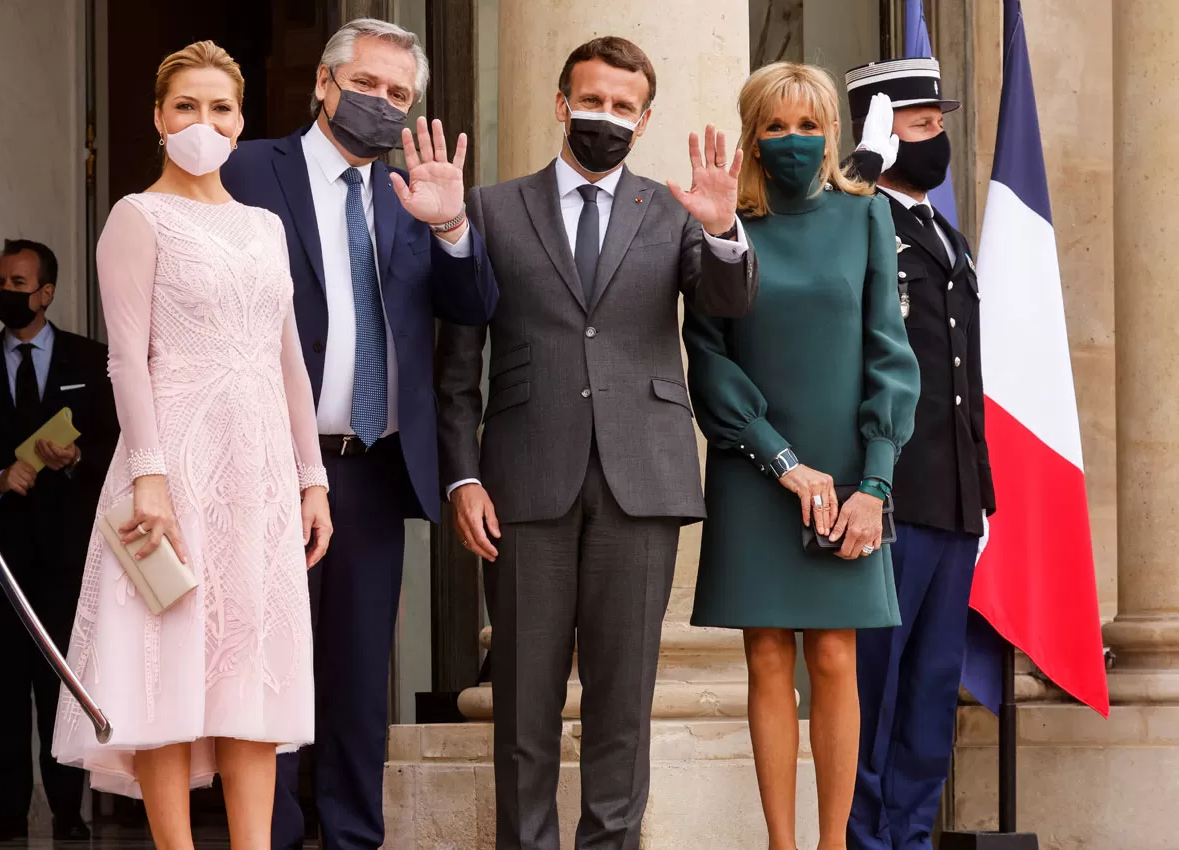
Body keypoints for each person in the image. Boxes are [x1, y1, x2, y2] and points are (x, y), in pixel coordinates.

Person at [436, 36, 758, 850]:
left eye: (622, 106)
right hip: (521, 482)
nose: (604, 116)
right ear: (559, 103)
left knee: (623, 706)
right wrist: (461, 478)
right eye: (592, 99)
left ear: (644, 120)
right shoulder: (492, 209)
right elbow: (457, 364)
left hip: (640, 482)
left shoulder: (673, 211)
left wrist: (723, 233)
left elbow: (725, 305)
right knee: (523, 704)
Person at [219, 19, 498, 850]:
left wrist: (452, 229)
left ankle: (350, 838)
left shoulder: (417, 192)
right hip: (266, 460)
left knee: (357, 675)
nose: (383, 105)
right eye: (368, 85)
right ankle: (261, 836)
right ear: (323, 83)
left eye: (400, 95)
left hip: (372, 468)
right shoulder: (244, 171)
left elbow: (475, 307)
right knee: (264, 668)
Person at [50, 41, 332, 850]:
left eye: (218, 108)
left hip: (262, 480)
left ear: (241, 123)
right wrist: (151, 479)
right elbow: (125, 359)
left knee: (252, 681)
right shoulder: (136, 217)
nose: (201, 122)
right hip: (171, 470)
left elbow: (289, 363)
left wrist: (311, 479)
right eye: (185, 107)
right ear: (157, 119)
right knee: (166, 674)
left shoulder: (268, 226)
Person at [682, 62, 920, 850]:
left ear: (831, 135)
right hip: (756, 467)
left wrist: (875, 482)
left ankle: (831, 845)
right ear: (752, 135)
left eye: (809, 124)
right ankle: (782, 845)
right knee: (765, 659)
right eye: (775, 126)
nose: (792, 139)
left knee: (835, 656)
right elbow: (707, 357)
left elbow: (890, 353)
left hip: (848, 473)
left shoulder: (865, 220)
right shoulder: (721, 222)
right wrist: (779, 457)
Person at [841, 58, 995, 850]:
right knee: (876, 686)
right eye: (918, 123)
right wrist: (859, 173)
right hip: (889, 497)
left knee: (933, 690)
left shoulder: (946, 236)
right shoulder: (858, 222)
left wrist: (983, 495)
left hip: (952, 500)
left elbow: (961, 376)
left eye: (939, 123)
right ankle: (867, 840)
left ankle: (908, 838)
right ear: (877, 127)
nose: (935, 138)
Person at [0, 239, 118, 843]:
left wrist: (76, 456)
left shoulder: (91, 361)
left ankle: (67, 811)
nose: (7, 292)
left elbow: (115, 447)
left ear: (46, 292)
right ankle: (8, 810)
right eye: (0, 282)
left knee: (62, 682)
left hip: (66, 553)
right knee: (4, 682)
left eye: (18, 283)